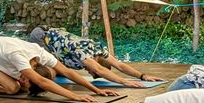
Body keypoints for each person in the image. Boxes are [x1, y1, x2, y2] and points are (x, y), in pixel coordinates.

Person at [0, 37, 114, 102]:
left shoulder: (41, 54)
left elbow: (67, 72)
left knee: (19, 88)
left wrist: (95, 89)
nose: (23, 80)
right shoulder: (19, 57)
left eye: (25, 81)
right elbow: (41, 81)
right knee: (12, 88)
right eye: (26, 80)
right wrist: (74, 96)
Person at [29, 27, 164, 86]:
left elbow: (119, 65)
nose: (88, 71)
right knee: (46, 73)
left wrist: (142, 76)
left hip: (51, 41)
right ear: (97, 64)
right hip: (41, 37)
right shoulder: (85, 52)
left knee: (63, 72)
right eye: (91, 72)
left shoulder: (99, 52)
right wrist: (125, 81)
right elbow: (100, 70)